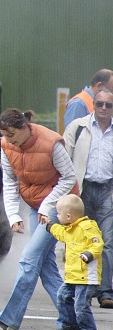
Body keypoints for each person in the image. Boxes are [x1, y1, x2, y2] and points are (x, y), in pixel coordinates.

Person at [0, 108, 77, 330]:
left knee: (28, 260)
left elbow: (70, 178)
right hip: (37, 207)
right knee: (46, 268)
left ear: (24, 127)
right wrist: (13, 216)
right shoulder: (7, 146)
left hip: (59, 207)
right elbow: (9, 182)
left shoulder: (51, 143)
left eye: (12, 136)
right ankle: (72, 321)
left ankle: (8, 320)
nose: (9, 141)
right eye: (5, 137)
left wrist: (47, 205)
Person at [63, 87, 113, 309]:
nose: (103, 108)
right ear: (93, 105)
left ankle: (105, 291)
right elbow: (64, 159)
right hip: (82, 191)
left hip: (107, 191)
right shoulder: (79, 127)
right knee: (78, 241)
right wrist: (68, 191)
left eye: (108, 105)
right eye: (99, 104)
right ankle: (81, 288)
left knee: (107, 242)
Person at [47, 194, 104, 330]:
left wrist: (89, 254)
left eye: (58, 214)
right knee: (62, 296)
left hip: (86, 277)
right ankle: (69, 325)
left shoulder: (88, 227)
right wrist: (50, 225)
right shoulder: (70, 229)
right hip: (73, 275)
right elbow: (60, 234)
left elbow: (97, 244)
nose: (57, 216)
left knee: (81, 305)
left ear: (67, 216)